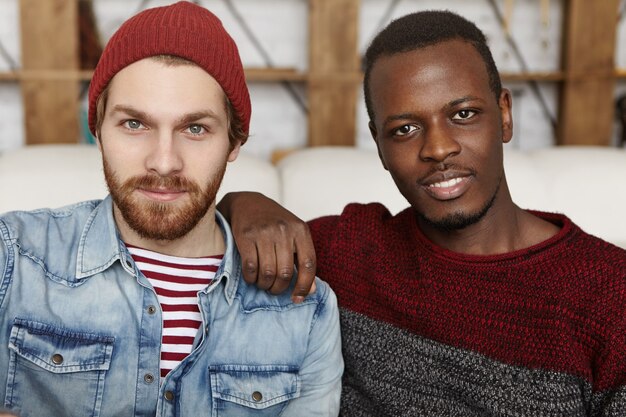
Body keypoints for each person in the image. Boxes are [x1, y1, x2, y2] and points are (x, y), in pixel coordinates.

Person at [219, 10, 626, 416]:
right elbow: (210, 242)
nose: (437, 148)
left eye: (463, 114)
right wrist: (241, 202)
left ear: (504, 113)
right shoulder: (351, 249)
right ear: (379, 146)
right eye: (405, 130)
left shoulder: (609, 292)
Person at [0, 2, 342, 416]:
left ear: (234, 143)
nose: (164, 162)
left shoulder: (306, 311)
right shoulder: (13, 259)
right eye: (134, 124)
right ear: (97, 130)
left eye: (195, 128)